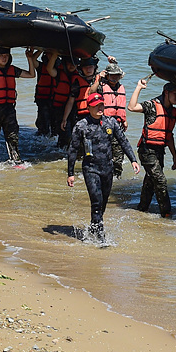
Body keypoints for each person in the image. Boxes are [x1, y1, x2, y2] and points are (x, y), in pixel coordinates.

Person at [67, 93, 140, 242]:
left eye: (101, 105)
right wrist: (71, 173)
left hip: (107, 169)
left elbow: (123, 141)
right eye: (96, 105)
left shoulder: (110, 122)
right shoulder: (81, 126)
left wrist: (133, 159)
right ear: (89, 107)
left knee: (103, 204)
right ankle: (100, 238)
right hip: (90, 168)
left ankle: (94, 228)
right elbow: (73, 150)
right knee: (96, 202)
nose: (100, 108)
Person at [128, 78, 176, 218]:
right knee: (160, 180)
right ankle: (166, 213)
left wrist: (175, 157)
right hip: (147, 150)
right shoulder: (152, 105)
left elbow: (169, 136)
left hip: (160, 151)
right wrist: (139, 87)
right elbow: (132, 107)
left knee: (150, 182)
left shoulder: (172, 111)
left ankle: (142, 209)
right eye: (175, 94)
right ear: (166, 93)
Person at [60, 57, 101, 148]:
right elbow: (71, 101)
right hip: (82, 116)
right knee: (80, 143)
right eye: (85, 67)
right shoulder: (77, 81)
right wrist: (64, 119)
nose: (88, 69)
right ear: (81, 69)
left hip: (97, 116)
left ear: (94, 67)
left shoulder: (101, 80)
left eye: (90, 66)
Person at [98, 63, 128, 177]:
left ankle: (117, 176)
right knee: (103, 151)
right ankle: (103, 173)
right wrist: (98, 78)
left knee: (119, 153)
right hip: (104, 124)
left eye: (117, 76)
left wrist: (124, 120)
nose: (114, 78)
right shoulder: (101, 87)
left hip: (118, 124)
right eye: (112, 76)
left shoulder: (121, 88)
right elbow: (91, 92)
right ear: (107, 76)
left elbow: (122, 105)